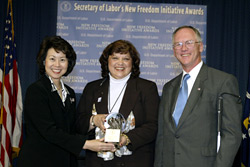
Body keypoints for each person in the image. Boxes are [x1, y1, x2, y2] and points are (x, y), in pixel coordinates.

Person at [17, 36, 115, 167]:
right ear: (43, 61)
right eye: (52, 59)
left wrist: (94, 120)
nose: (57, 65)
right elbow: (49, 131)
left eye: (62, 59)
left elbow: (71, 129)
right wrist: (86, 144)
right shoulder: (36, 90)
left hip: (64, 160)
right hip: (39, 160)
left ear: (69, 63)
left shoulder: (69, 93)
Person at [154, 25, 242, 167]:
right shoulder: (169, 87)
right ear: (173, 50)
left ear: (200, 46)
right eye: (178, 44)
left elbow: (232, 135)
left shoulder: (223, 81)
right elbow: (162, 137)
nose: (183, 48)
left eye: (189, 43)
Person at [76, 39, 160, 167]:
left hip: (135, 161)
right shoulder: (92, 88)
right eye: (115, 58)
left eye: (126, 59)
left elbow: (152, 126)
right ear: (107, 61)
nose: (120, 63)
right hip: (97, 162)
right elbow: (78, 123)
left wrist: (126, 138)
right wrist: (93, 120)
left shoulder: (147, 88)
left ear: (133, 62)